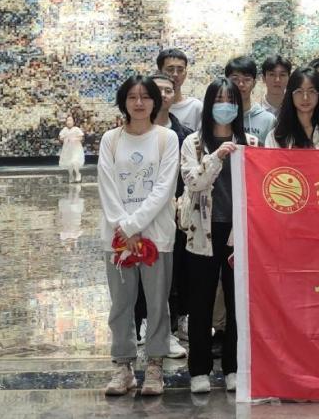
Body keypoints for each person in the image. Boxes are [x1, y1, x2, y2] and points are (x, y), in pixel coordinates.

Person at [97, 75, 179, 397]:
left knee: (158, 303)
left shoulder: (167, 138)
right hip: (117, 238)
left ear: (155, 102)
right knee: (121, 303)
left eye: (146, 97)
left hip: (156, 235)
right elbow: (106, 185)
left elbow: (164, 188)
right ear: (124, 102)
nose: (139, 103)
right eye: (132, 97)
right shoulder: (110, 139)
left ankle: (155, 365)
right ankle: (123, 366)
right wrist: (124, 227)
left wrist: (134, 225)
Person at [178, 77, 252, 394]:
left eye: (231, 100)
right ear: (209, 104)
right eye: (219, 99)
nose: (225, 106)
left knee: (238, 302)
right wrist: (216, 157)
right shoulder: (193, 143)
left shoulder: (250, 141)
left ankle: (234, 367)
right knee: (201, 300)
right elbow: (193, 182)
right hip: (202, 230)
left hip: (240, 232)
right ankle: (199, 369)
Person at [147, 72, 192, 359]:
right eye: (157, 90)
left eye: (168, 90)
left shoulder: (184, 134)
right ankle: (146, 324)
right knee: (143, 269)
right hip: (142, 214)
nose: (164, 95)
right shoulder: (134, 132)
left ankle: (173, 326)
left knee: (175, 273)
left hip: (175, 214)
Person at [265, 67, 319, 149]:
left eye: (311, 91)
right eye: (299, 91)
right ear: (290, 95)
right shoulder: (276, 137)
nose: (305, 98)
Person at [224, 56, 276, 141]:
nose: (241, 84)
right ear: (226, 82)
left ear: (254, 83)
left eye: (247, 79)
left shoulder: (268, 120)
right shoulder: (220, 116)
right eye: (235, 79)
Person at [157, 48, 202, 133]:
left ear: (185, 74)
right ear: (159, 72)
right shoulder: (150, 106)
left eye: (180, 70)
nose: (175, 74)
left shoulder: (195, 107)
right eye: (170, 69)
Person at [58, 112, 85, 182]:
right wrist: (63, 139)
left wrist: (75, 139)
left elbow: (81, 137)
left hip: (76, 149)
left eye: (70, 120)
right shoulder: (64, 129)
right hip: (67, 149)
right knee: (69, 163)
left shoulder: (76, 129)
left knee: (74, 161)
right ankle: (71, 175)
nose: (69, 122)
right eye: (68, 120)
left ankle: (78, 174)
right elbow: (61, 137)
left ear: (73, 122)